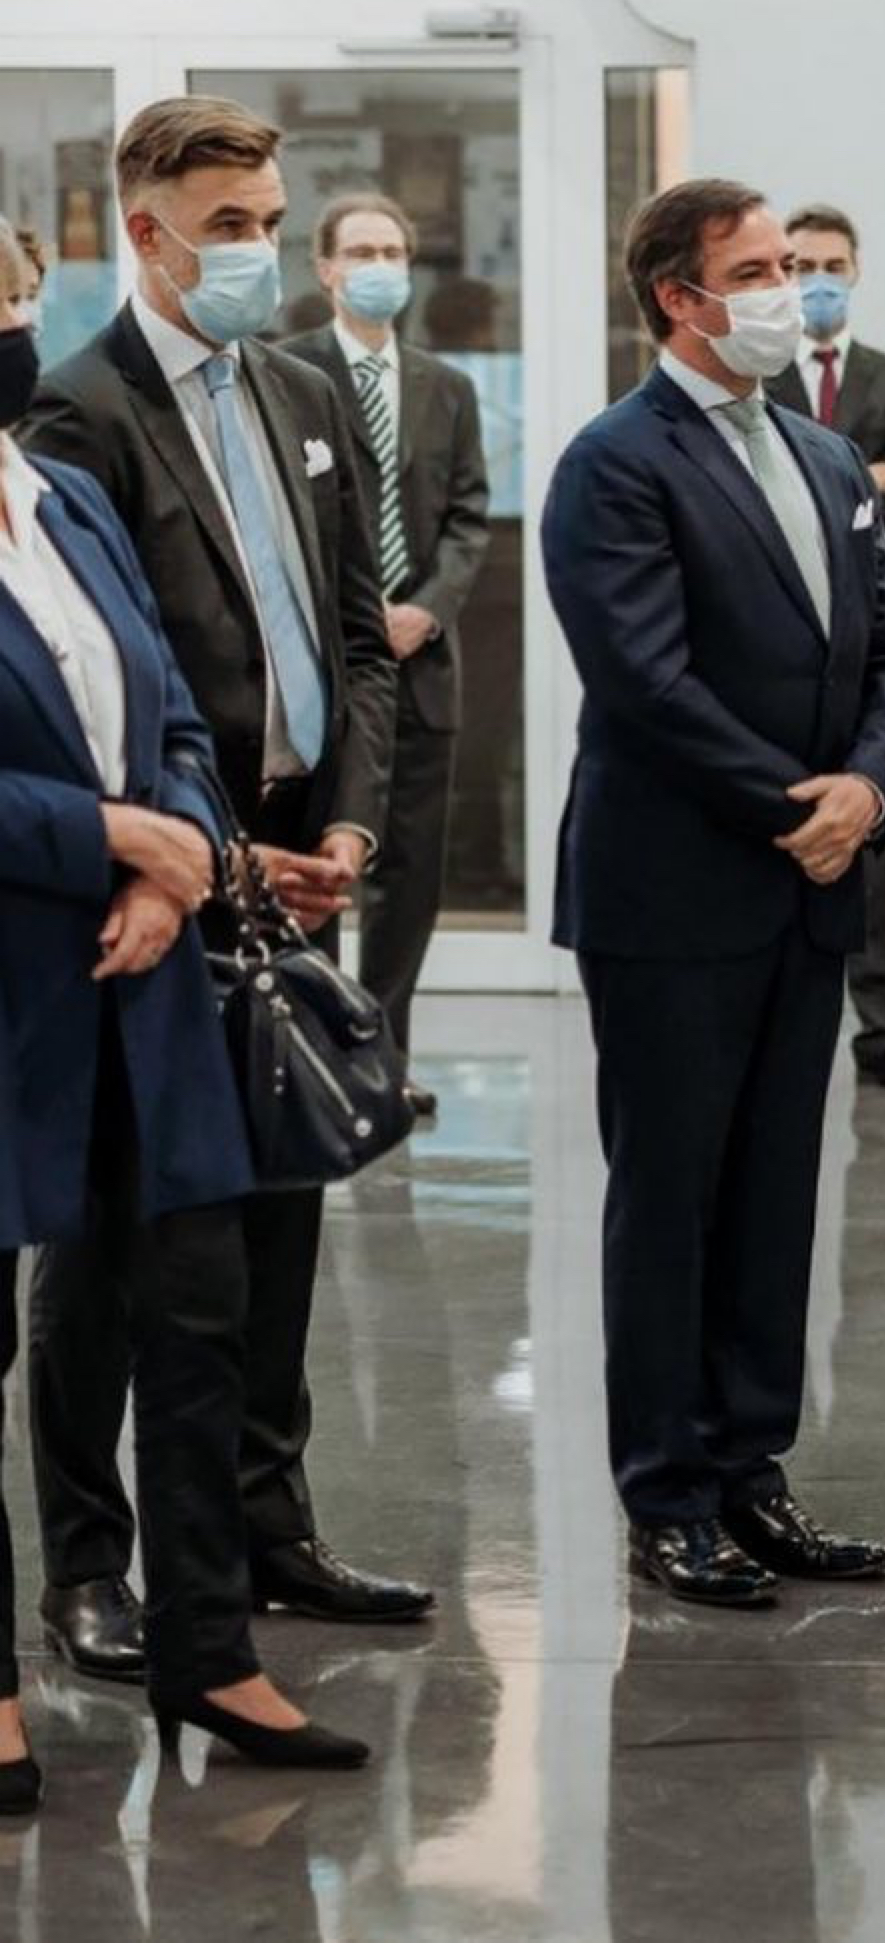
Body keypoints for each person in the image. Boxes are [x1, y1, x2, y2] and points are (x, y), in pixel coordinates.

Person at [20, 96, 431, 1668]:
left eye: (271, 220)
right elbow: (88, 689)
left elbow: (359, 635)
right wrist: (199, 844)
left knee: (276, 1208)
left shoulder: (303, 387)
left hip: (299, 854)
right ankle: (87, 1562)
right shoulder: (81, 412)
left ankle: (267, 1527)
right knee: (115, 1233)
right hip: (155, 863)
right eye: (231, 228)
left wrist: (350, 832)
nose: (261, 249)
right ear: (149, 234)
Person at [543, 177, 885, 1608]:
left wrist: (866, 790)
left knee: (774, 1193)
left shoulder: (823, 457)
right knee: (672, 1195)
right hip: (674, 892)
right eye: (755, 270)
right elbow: (646, 684)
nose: (788, 291)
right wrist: (797, 809)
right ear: (678, 297)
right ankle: (669, 1493)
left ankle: (753, 1470)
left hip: (809, 886)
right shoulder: (614, 463)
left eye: (790, 267)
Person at [286, 192, 491, 1114]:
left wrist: (427, 610)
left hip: (422, 666)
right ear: (326, 268)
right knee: (322, 866)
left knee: (411, 875)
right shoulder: (289, 372)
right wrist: (352, 612)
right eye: (362, 252)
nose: (380, 267)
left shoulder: (448, 387)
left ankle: (384, 1057)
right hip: (328, 668)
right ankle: (318, 1055)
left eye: (394, 252)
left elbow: (469, 518)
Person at [768, 203, 885, 1094]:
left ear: (857, 269)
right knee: (787, 830)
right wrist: (863, 475)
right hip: (784, 642)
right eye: (800, 266)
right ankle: (779, 1023)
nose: (817, 282)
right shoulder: (759, 381)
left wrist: (840, 484)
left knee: (877, 845)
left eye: (831, 265)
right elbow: (765, 501)